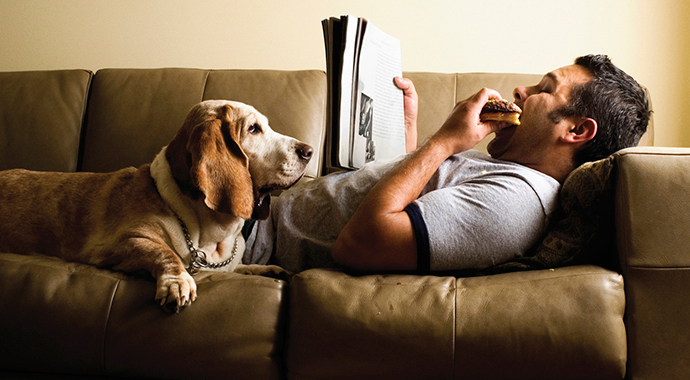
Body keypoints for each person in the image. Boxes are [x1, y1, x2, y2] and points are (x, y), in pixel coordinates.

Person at [243, 54, 649, 273]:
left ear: (577, 131)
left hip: (255, 243)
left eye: (545, 89)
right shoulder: (508, 172)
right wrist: (410, 135)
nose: (520, 91)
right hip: (259, 210)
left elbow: (361, 243)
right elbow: (405, 195)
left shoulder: (515, 205)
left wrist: (444, 141)